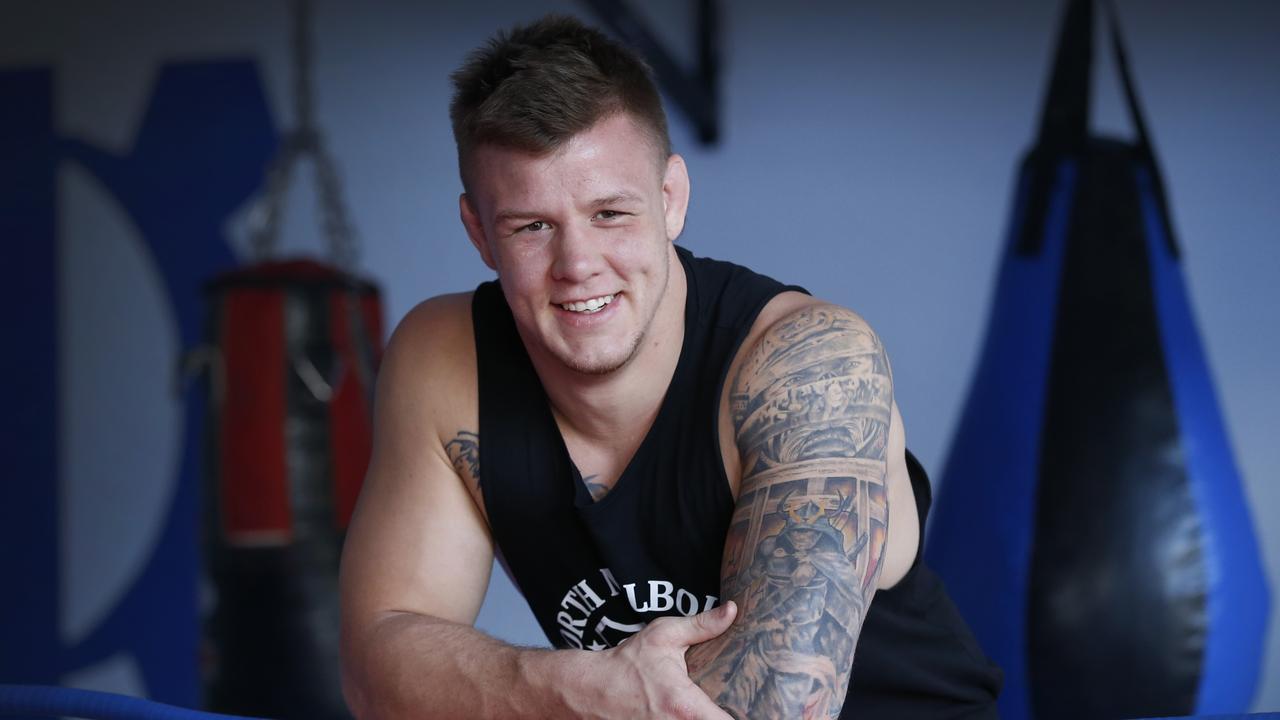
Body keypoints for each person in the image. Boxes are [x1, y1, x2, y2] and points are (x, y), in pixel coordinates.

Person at [339, 14, 1002, 719]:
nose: (578, 266)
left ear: (670, 198)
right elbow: (377, 667)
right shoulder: (445, 361)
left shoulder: (812, 368)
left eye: (610, 213)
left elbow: (774, 710)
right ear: (479, 233)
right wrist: (571, 688)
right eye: (531, 227)